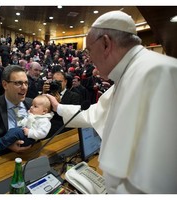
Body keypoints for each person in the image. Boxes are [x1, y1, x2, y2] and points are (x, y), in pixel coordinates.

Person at [45, 10, 177, 194]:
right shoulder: (127, 74)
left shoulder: (159, 72)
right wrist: (58, 107)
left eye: (89, 50)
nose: (89, 58)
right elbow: (92, 114)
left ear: (106, 43)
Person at [43, 70, 81, 138]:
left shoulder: (74, 96)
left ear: (65, 82)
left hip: (64, 133)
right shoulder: (47, 94)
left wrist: (59, 103)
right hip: (46, 132)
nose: (57, 84)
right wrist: (44, 93)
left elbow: (73, 117)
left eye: (60, 82)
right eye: (55, 82)